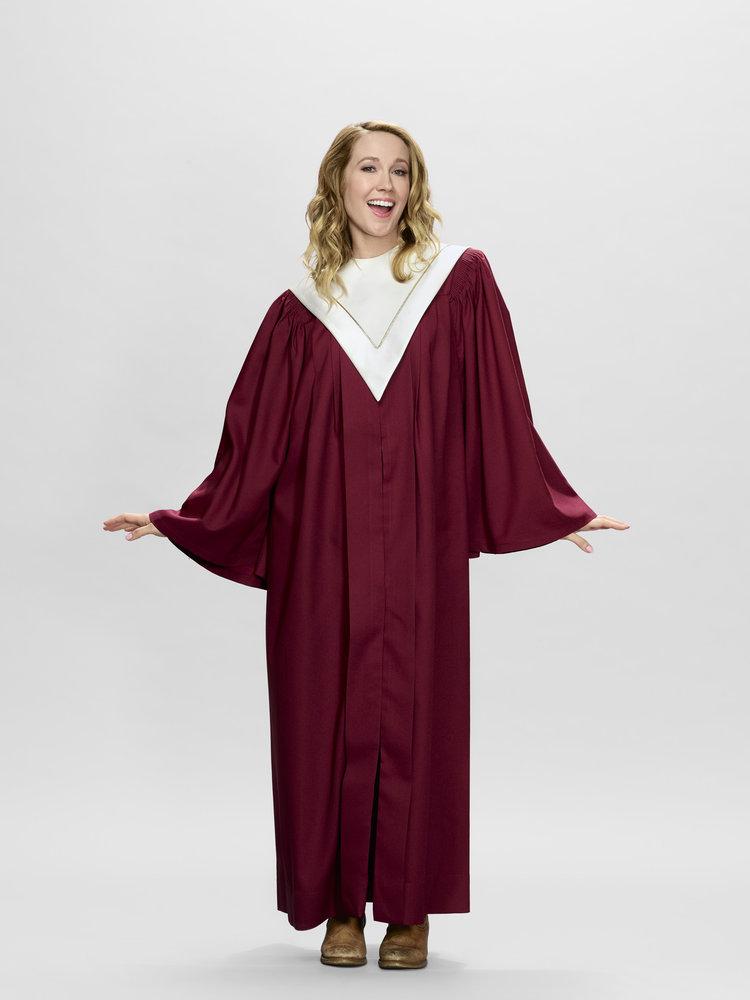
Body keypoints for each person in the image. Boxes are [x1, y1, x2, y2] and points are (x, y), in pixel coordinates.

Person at [103, 120, 628, 970]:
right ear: (337, 185)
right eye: (369, 168)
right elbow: (253, 446)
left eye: (401, 170)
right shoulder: (298, 311)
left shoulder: (458, 282)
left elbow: (500, 408)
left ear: (414, 188)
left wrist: (553, 505)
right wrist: (181, 519)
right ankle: (342, 906)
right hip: (320, 549)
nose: (385, 183)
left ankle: (409, 910)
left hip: (419, 546)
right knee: (322, 711)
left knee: (419, 708)